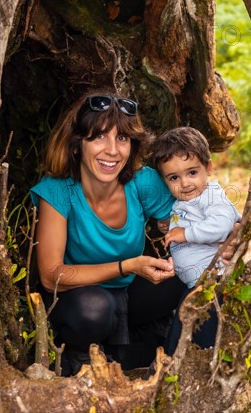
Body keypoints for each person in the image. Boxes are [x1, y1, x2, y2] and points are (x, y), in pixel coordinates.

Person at [30, 91, 236, 375]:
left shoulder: (143, 182)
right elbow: (52, 275)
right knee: (94, 308)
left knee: (199, 269)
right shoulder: (57, 190)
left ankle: (182, 350)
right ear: (77, 145)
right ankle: (83, 355)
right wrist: (127, 266)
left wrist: (228, 239)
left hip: (133, 296)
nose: (113, 150)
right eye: (99, 137)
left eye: (122, 138)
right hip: (81, 301)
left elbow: (193, 214)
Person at [152, 126, 241, 354]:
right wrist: (170, 225)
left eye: (192, 172)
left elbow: (221, 226)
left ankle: (193, 374)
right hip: (196, 283)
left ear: (208, 167)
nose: (185, 183)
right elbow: (188, 219)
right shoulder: (186, 201)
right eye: (174, 177)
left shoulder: (212, 197)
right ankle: (172, 369)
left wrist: (185, 234)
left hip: (213, 282)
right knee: (181, 330)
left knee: (202, 336)